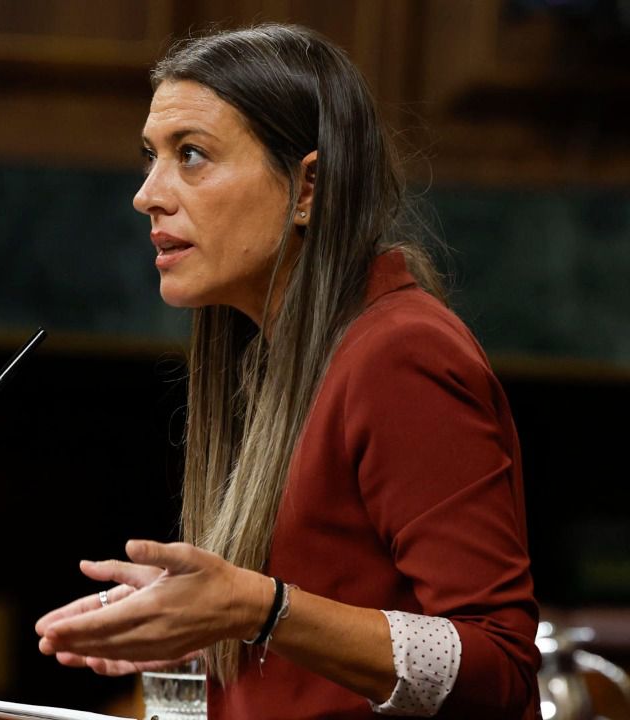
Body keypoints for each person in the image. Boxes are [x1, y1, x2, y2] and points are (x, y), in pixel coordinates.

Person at [34, 24, 540, 719]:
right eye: (151, 157)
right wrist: (198, 625)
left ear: (309, 186)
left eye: (191, 155)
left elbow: (498, 666)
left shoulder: (402, 353)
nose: (148, 194)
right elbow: (326, 634)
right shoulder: (280, 355)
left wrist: (258, 606)